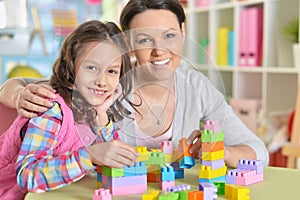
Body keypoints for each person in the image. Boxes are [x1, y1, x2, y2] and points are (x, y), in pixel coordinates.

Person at [0, 0, 269, 168]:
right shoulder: (105, 82)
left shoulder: (196, 87)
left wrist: (225, 152)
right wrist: (19, 93)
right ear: (127, 43)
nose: (159, 51)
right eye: (143, 40)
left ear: (184, 34)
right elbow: (19, 84)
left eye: (169, 36)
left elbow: (258, 151)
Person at [0, 20, 139, 199]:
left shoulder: (93, 109)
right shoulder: (51, 109)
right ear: (71, 66)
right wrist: (89, 156)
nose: (102, 81)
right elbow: (27, 176)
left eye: (111, 71)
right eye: (91, 67)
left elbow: (110, 162)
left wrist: (102, 117)